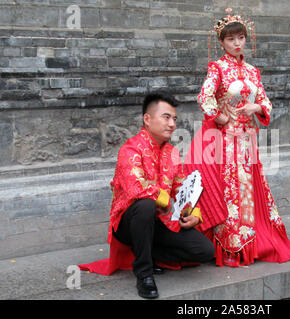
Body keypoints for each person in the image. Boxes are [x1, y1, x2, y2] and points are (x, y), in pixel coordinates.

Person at [184, 8, 290, 267]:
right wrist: (219, 117)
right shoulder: (217, 68)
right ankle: (232, 247)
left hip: (247, 140)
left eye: (240, 37)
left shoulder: (253, 71)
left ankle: (254, 242)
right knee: (231, 193)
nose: (237, 43)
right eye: (231, 39)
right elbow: (204, 98)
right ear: (222, 42)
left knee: (250, 192)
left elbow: (265, 101)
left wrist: (257, 108)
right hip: (226, 141)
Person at [79, 92, 215, 299]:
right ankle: (144, 273)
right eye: (166, 117)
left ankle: (151, 256)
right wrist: (167, 200)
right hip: (129, 223)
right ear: (147, 119)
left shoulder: (172, 153)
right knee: (145, 205)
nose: (172, 124)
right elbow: (136, 188)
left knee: (205, 250)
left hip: (160, 221)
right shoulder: (130, 149)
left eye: (174, 119)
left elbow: (181, 186)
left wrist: (193, 212)